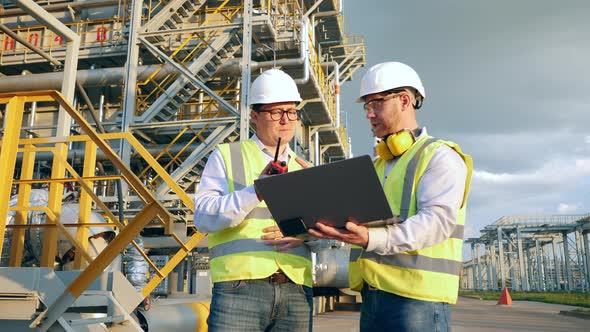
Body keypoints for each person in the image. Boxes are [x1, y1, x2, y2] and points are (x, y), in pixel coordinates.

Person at [308, 62, 473, 331]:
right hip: (374, 296)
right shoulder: (378, 166)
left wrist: (372, 238)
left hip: (418, 301)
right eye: (366, 106)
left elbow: (437, 222)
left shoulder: (439, 156)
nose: (369, 114)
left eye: (377, 104)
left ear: (405, 100)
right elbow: (359, 222)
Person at [194, 68, 313, 332]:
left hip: (296, 289)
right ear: (254, 116)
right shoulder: (226, 156)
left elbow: (328, 234)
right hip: (240, 290)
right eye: (276, 112)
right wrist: (256, 191)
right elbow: (203, 216)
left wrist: (306, 234)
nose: (286, 119)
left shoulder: (305, 168)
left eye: (291, 111)